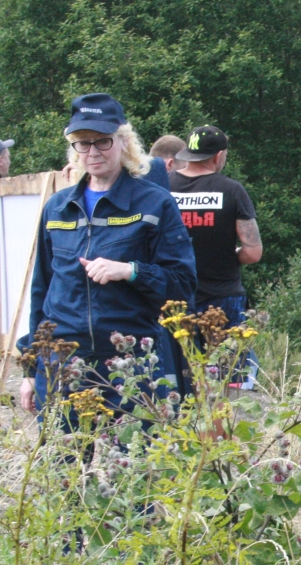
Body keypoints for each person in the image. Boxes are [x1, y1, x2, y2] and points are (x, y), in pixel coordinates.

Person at [18, 93, 197, 419]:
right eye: (82, 144)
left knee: (137, 464)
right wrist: (32, 369)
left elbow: (183, 285)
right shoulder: (57, 208)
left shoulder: (155, 204)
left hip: (131, 362)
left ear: (124, 142)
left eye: (103, 141)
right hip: (64, 362)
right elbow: (41, 293)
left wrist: (131, 271)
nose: (92, 152)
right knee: (64, 467)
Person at [169, 125, 262, 388]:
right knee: (227, 381)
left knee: (178, 379)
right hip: (222, 300)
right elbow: (253, 252)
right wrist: (230, 254)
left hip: (173, 302)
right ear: (219, 156)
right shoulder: (232, 191)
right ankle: (220, 429)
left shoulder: (162, 187)